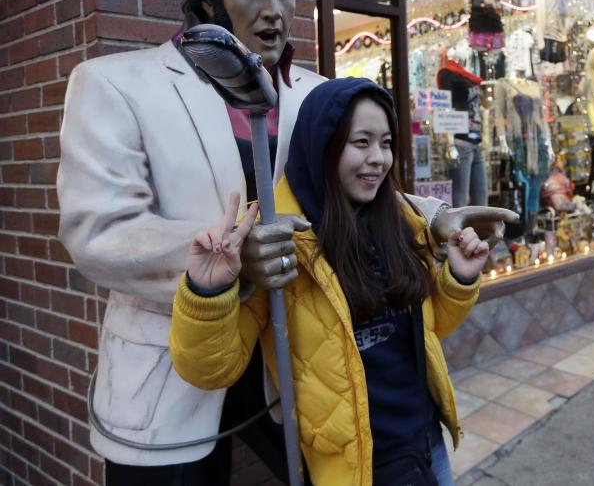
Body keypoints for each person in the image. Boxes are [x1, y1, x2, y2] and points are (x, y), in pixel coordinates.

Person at [57, 0, 517, 484]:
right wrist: (222, 263)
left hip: (295, 369)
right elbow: (99, 230)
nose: (273, 9)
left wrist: (436, 220)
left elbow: (356, 188)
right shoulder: (115, 85)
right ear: (206, 4)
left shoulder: (319, 93)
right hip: (170, 379)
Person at [170, 78, 488, 486]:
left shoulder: (400, 219)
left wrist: (459, 278)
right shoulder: (275, 239)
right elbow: (210, 370)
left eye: (387, 143)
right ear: (323, 144)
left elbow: (428, 332)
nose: (378, 159)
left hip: (426, 443)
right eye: (361, 142)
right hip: (354, 467)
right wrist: (207, 291)